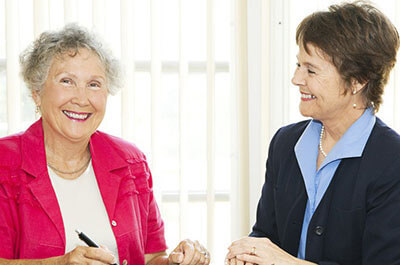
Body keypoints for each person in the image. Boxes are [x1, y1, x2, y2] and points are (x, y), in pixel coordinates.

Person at [0, 24, 210, 265]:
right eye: (67, 81)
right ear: (37, 92)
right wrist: (59, 263)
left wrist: (177, 261)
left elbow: (151, 258)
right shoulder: (4, 162)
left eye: (94, 84)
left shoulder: (131, 162)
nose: (81, 98)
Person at [226, 2, 400, 265]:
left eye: (311, 70)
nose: (296, 79)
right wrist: (249, 255)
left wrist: (284, 262)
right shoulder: (285, 144)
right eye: (298, 65)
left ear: (358, 80)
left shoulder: (391, 160)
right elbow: (266, 236)